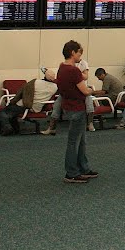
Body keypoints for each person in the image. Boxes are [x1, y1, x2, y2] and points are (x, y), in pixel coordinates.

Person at [55, 41, 97, 183]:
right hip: (77, 108)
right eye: (79, 53)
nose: (80, 56)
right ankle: (72, 172)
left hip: (69, 107)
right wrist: (92, 90)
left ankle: (83, 168)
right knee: (74, 142)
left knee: (81, 141)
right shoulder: (73, 70)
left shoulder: (62, 68)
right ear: (73, 52)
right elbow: (85, 91)